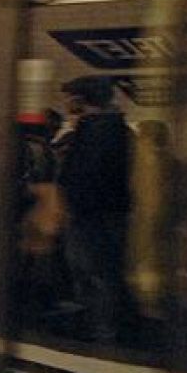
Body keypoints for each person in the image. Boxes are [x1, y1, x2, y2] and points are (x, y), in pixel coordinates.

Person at [54, 74, 135, 342]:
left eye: (69, 100)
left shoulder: (96, 131)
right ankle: (101, 325)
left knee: (94, 272)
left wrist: (73, 206)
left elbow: (83, 175)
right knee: (98, 272)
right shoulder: (114, 129)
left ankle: (101, 330)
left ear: (80, 100)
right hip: (103, 212)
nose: (66, 105)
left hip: (91, 215)